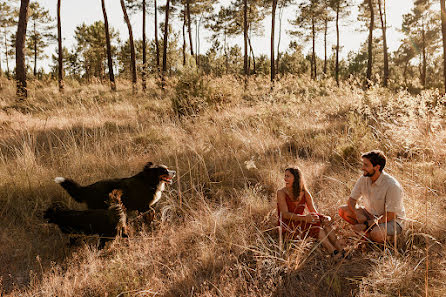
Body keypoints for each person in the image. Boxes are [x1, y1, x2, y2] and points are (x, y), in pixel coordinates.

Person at [338, 150, 405, 243]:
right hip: (369, 214)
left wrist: (366, 224)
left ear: (377, 167)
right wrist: (357, 213)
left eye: (366, 165)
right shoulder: (364, 178)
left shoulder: (392, 186)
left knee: (377, 233)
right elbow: (351, 201)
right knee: (343, 210)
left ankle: (383, 240)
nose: (362, 168)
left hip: (391, 221)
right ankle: (367, 236)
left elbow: (390, 216)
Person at [277, 167, 345, 257]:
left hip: (300, 222)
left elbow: (314, 212)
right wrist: (305, 218)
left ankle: (341, 250)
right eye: (285, 176)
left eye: (288, 176)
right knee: (318, 229)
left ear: (296, 178)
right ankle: (334, 253)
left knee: (326, 225)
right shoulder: (281, 192)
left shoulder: (305, 193)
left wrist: (324, 218)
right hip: (287, 225)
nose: (285, 179)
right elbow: (285, 215)